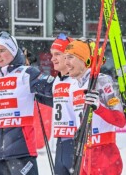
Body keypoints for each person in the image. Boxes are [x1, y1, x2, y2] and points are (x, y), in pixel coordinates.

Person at [0, 31, 54, 175]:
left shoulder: (27, 73)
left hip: (21, 149)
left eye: (2, 50)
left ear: (13, 51)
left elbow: (55, 90)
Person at [64, 39, 126, 175]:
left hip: (105, 155)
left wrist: (98, 107)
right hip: (84, 154)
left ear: (84, 60)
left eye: (71, 57)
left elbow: (120, 121)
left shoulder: (102, 81)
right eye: (65, 58)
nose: (66, 62)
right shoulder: (72, 87)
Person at [50, 33, 77, 175]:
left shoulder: (79, 79)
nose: (52, 58)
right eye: (52, 54)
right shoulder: (57, 81)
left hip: (76, 142)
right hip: (61, 143)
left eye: (57, 54)